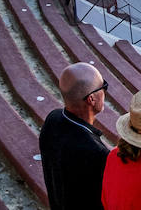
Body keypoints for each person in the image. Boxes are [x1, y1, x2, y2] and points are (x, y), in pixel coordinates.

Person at [41, 62, 111, 210]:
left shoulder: (52, 119)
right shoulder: (97, 154)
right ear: (91, 99)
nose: (105, 91)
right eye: (104, 87)